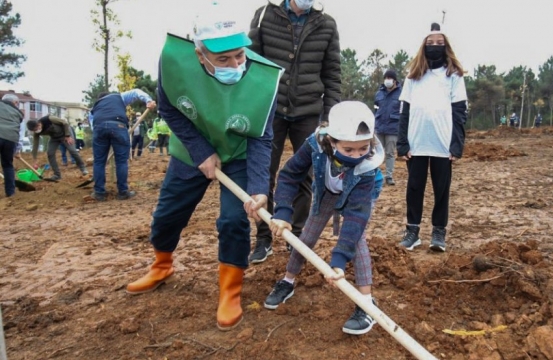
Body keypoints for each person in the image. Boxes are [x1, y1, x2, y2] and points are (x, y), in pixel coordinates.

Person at [125, 4, 282, 332]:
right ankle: (162, 265)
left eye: (239, 55)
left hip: (238, 153)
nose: (235, 64)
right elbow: (168, 108)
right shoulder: (175, 62)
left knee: (233, 219)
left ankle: (230, 291)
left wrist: (258, 189)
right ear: (200, 55)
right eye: (223, 59)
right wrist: (200, 151)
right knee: (169, 212)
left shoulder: (265, 81)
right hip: (191, 149)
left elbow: (262, 139)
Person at [264, 101, 384, 335]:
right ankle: (287, 282)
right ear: (331, 141)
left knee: (357, 241)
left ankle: (367, 305)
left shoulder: (367, 167)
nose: (357, 155)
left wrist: (338, 261)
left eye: (363, 148)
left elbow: (356, 217)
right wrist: (283, 212)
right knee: (306, 236)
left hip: (359, 191)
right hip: (329, 189)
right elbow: (290, 175)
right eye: (349, 150)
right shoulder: (315, 145)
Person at [247, 0, 341, 263]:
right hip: (270, 109)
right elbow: (250, 63)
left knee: (304, 175)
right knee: (263, 173)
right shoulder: (264, 14)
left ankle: (295, 237)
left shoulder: (327, 24)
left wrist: (328, 119)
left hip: (308, 111)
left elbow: (332, 74)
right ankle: (263, 237)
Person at [397, 23, 468, 252]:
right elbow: (404, 111)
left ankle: (439, 232)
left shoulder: (454, 75)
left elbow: (459, 112)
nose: (435, 47)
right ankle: (412, 232)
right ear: (423, 46)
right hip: (416, 143)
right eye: (430, 43)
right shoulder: (413, 76)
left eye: (439, 43)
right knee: (414, 188)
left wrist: (456, 145)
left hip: (442, 143)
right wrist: (402, 143)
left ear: (446, 46)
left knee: (441, 189)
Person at [89, 90, 155, 201]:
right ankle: (123, 192)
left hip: (99, 128)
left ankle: (99, 192)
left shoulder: (95, 107)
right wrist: (148, 100)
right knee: (121, 161)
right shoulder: (118, 97)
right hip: (118, 126)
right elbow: (136, 92)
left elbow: (92, 125)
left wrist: (103, 131)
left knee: (99, 161)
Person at [27, 115, 88, 181]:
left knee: (72, 150)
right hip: (54, 138)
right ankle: (57, 175)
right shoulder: (36, 133)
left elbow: (65, 123)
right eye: (34, 130)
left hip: (65, 134)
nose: (37, 130)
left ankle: (83, 168)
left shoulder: (49, 119)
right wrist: (34, 159)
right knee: (50, 153)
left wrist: (67, 135)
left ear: (38, 123)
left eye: (37, 128)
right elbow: (35, 145)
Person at [374, 69, 401, 186]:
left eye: (390, 78)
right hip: (379, 128)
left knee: (390, 153)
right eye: (386, 78)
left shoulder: (401, 93)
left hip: (393, 129)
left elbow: (403, 112)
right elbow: (375, 109)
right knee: (376, 153)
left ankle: (389, 176)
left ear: (395, 80)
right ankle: (375, 176)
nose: (387, 80)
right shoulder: (379, 93)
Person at [0, 93, 23, 197]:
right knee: (8, 165)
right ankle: (10, 193)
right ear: (15, 103)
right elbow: (20, 133)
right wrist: (17, 150)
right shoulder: (18, 114)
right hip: (11, 140)